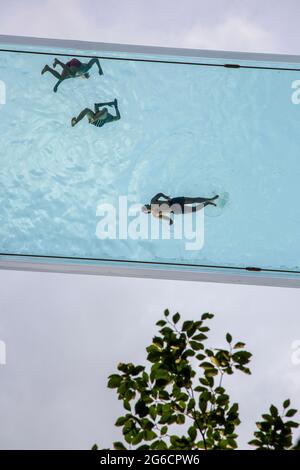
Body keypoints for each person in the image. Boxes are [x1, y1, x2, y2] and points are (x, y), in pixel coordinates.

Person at [142, 193, 219, 225]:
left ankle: (210, 198)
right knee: (194, 209)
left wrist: (166, 197)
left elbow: (159, 194)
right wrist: (170, 221)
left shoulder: (152, 201)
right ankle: (208, 203)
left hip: (173, 201)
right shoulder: (155, 214)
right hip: (175, 209)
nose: (147, 206)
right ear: (148, 212)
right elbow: (164, 217)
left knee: (193, 200)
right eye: (146, 208)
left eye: (145, 206)